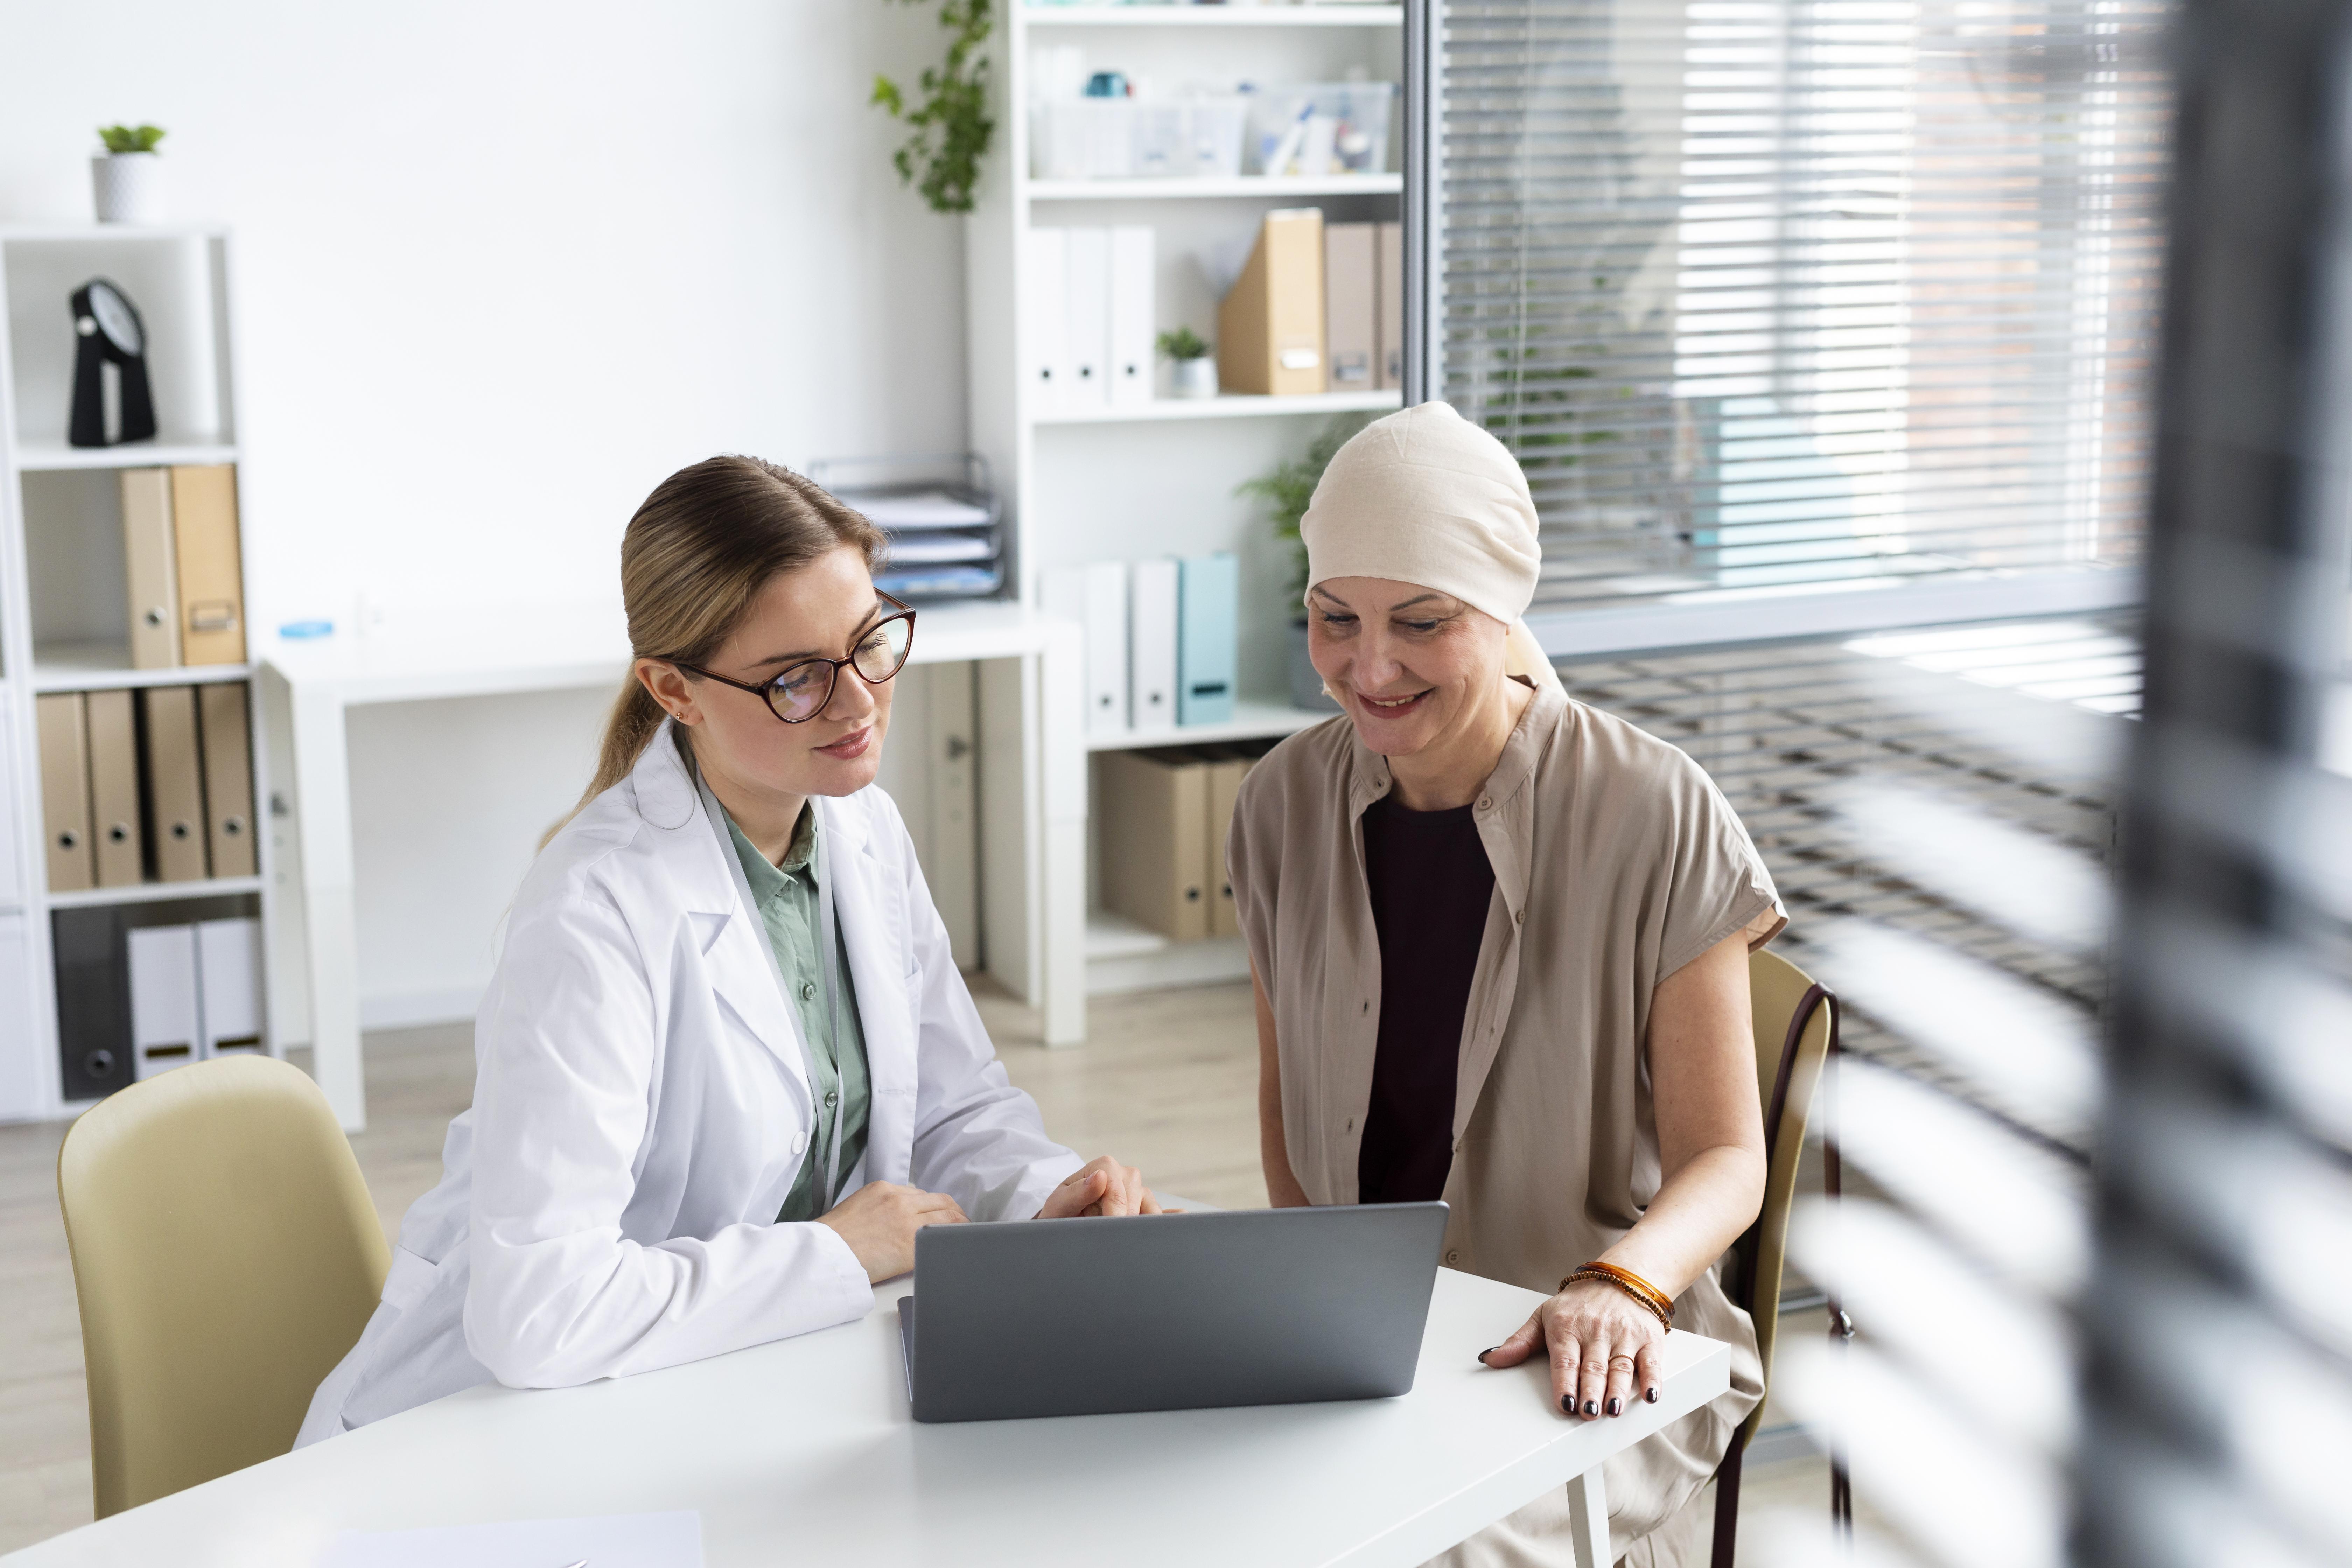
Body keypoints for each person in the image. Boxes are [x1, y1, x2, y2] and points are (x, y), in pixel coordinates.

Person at [299, 455, 1158, 1444]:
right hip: (490, 1431)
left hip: (727, 1385)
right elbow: (537, 1314)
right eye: (796, 679)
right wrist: (837, 1253)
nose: (859, 703)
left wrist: (1048, 1196)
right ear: (674, 689)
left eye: (870, 642)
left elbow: (951, 1111)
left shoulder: (863, 832)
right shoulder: (593, 914)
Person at [1227, 404, 1783, 1567]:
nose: (1368, 668)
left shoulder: (1653, 808)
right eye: (1336, 620)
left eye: (1421, 623)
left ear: (1503, 608)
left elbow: (1727, 1159)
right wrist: (1310, 1314)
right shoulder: (1281, 804)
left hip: (1595, 1338)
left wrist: (1622, 1283)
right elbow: (1287, 1121)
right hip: (1366, 1336)